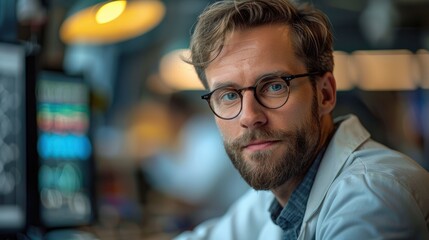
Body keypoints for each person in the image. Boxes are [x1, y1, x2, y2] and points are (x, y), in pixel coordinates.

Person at [174, 0, 429, 239]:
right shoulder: (276, 195)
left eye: (274, 86)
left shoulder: (374, 197)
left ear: (325, 94)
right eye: (228, 95)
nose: (250, 117)